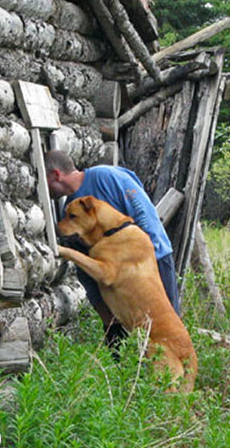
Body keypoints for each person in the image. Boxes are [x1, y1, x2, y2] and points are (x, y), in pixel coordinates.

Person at [44, 150, 180, 350]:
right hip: (115, 283)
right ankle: (127, 379)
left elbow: (141, 209)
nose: (42, 188)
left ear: (56, 175)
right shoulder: (72, 209)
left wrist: (150, 254)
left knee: (166, 330)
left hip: (152, 260)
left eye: (43, 180)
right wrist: (99, 304)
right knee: (118, 342)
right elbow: (85, 264)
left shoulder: (106, 177)